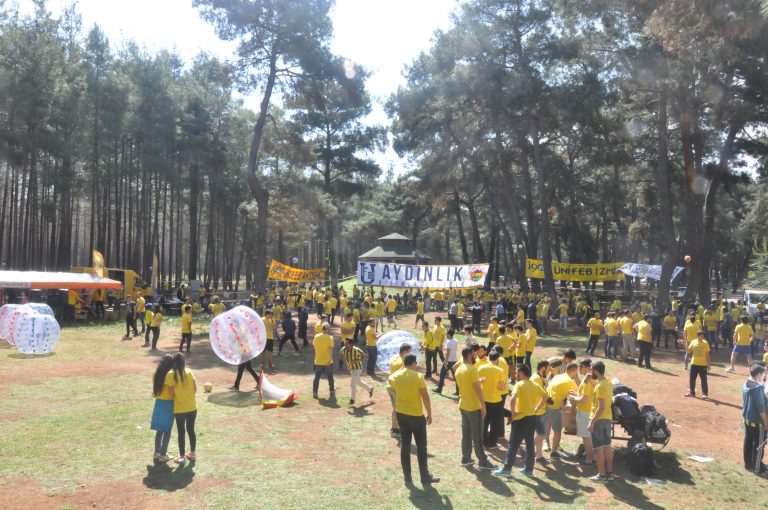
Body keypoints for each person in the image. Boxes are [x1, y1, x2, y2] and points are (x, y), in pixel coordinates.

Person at [388, 354, 439, 486]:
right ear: (413, 363)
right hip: (416, 415)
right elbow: (425, 396)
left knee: (405, 445)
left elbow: (390, 387)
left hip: (401, 414)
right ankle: (424, 476)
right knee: (421, 446)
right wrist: (429, 414)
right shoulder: (418, 376)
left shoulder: (394, 376)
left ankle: (407, 477)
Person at [493, 363, 548, 478]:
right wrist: (537, 408)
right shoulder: (534, 385)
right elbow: (545, 396)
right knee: (529, 444)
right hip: (532, 418)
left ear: (521, 373)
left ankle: (506, 470)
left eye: (516, 372)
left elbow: (513, 399)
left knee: (513, 445)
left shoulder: (519, 384)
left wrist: (513, 413)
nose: (515, 374)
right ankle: (529, 469)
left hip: (521, 419)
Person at [454, 347, 496, 470]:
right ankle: (482, 461)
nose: (476, 356)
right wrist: (483, 406)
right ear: (469, 355)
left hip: (463, 404)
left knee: (466, 434)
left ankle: (466, 458)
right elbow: (478, 390)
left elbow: (468, 384)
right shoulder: (472, 369)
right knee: (477, 435)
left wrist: (478, 381)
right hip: (473, 406)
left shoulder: (459, 368)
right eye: (473, 354)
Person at [166, 352, 197, 464]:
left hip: (180, 408)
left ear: (174, 362)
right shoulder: (189, 372)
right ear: (184, 362)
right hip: (192, 407)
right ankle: (192, 453)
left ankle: (182, 457)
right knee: (191, 430)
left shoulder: (170, 374)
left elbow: (171, 394)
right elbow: (195, 389)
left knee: (181, 432)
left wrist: (179, 396)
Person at [545, 363, 579, 459]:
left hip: (546, 404)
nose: (576, 374)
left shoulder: (558, 376)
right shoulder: (570, 382)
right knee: (557, 431)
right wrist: (568, 408)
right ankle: (553, 452)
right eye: (576, 372)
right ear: (573, 371)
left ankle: (548, 446)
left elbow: (552, 390)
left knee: (546, 428)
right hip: (554, 407)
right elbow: (578, 395)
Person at [587, 361, 614, 482]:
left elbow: (601, 406)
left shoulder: (599, 386)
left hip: (598, 420)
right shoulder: (608, 382)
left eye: (591, 369)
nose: (590, 372)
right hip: (607, 418)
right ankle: (609, 473)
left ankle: (601, 475)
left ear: (595, 371)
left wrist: (592, 421)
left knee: (599, 449)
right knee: (607, 447)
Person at [568, 358, 595, 467]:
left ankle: (589, 460)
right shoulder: (587, 379)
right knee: (587, 437)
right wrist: (576, 394)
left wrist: (574, 398)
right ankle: (591, 458)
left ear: (588, 368)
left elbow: (584, 399)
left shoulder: (587, 381)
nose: (579, 368)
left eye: (582, 366)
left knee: (586, 437)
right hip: (587, 411)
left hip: (585, 411)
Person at [743, 363, 768, 474]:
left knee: (748, 441)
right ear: (758, 375)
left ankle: (748, 464)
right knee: (759, 445)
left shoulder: (746, 384)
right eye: (763, 374)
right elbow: (761, 408)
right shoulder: (758, 389)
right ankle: (757, 468)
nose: (764, 376)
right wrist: (766, 423)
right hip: (758, 422)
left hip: (747, 419)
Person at [478, 351, 507, 449]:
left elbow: (478, 381)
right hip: (495, 400)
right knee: (494, 422)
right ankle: (492, 443)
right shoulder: (500, 370)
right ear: (497, 358)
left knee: (484, 422)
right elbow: (502, 387)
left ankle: (483, 442)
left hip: (484, 399)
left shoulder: (481, 368)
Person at [150, 354, 175, 462]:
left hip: (159, 402)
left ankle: (157, 452)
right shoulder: (170, 375)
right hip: (169, 403)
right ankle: (163, 454)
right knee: (167, 430)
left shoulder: (156, 373)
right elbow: (172, 391)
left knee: (160, 429)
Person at [387, 343, 413, 440]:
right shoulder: (403, 362)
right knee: (398, 409)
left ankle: (395, 428)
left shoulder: (394, 358)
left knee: (396, 408)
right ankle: (395, 430)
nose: (410, 353)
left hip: (391, 386)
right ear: (405, 351)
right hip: (396, 388)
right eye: (409, 351)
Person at [340, 338, 373, 405]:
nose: (345, 344)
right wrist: (343, 359)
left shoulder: (356, 350)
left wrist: (356, 360)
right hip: (351, 369)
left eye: (347, 343)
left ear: (351, 344)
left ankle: (352, 399)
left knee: (353, 383)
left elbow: (364, 356)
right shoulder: (343, 349)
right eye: (345, 343)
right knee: (358, 382)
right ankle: (370, 389)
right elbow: (341, 355)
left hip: (358, 368)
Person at [312, 323, 335, 399]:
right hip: (327, 361)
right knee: (330, 376)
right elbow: (330, 349)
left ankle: (315, 392)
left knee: (316, 377)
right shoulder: (330, 338)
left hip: (318, 360)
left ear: (322, 328)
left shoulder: (316, 336)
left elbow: (314, 346)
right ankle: (332, 390)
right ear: (328, 329)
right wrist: (330, 359)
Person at [433, 328, 459, 395]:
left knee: (442, 374)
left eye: (447, 333)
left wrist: (445, 362)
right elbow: (451, 349)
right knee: (455, 376)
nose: (446, 334)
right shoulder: (456, 341)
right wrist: (445, 348)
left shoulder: (448, 342)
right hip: (455, 360)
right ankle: (458, 391)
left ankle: (439, 389)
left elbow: (448, 353)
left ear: (449, 334)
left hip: (449, 361)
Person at [686, 330, 710, 398]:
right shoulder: (693, 342)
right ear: (698, 336)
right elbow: (689, 351)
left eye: (703, 335)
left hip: (703, 364)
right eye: (701, 335)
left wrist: (708, 364)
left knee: (704, 379)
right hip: (694, 363)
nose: (703, 337)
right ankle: (692, 393)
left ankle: (705, 393)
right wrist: (684, 344)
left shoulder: (705, 343)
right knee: (692, 379)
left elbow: (707, 354)